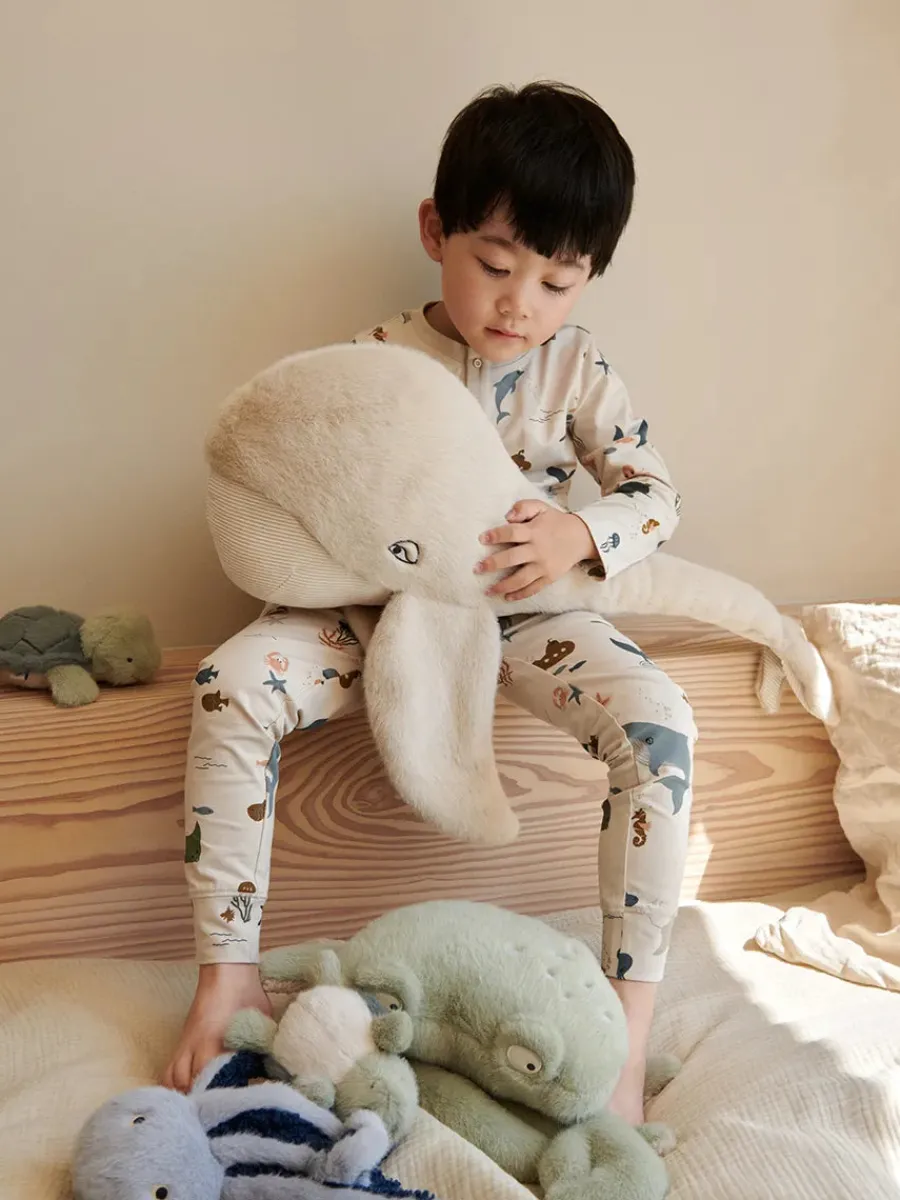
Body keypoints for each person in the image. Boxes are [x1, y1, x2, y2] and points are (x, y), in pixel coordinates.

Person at [163, 81, 696, 1126]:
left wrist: (581, 533)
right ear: (434, 232)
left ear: (588, 278)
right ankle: (226, 977)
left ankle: (628, 1030)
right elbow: (304, 487)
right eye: (495, 266)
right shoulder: (374, 363)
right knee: (231, 682)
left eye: (557, 280)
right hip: (372, 612)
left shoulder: (580, 371)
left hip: (529, 615)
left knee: (662, 722)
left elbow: (656, 498)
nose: (519, 303)